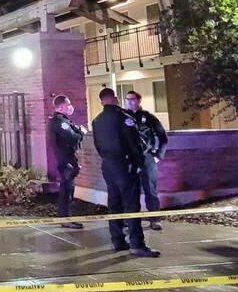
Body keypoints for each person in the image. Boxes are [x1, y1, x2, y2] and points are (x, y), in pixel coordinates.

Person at [92, 87, 160, 257]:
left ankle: (117, 240)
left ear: (101, 101)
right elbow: (135, 143)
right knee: (131, 205)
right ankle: (137, 244)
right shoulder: (124, 117)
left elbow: (98, 146)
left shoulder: (97, 121)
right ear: (114, 98)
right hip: (125, 166)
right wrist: (137, 163)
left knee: (114, 204)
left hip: (108, 166)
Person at [124, 91, 168, 231]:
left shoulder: (148, 118)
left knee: (150, 189)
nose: (129, 101)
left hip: (146, 157)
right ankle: (130, 221)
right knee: (130, 190)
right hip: (130, 158)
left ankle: (154, 219)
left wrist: (158, 155)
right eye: (127, 99)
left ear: (138, 100)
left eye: (132, 99)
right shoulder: (122, 117)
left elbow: (162, 137)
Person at [49, 95, 86, 229]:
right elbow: (73, 138)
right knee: (67, 190)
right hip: (66, 161)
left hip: (65, 159)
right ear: (62, 106)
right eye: (68, 104)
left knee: (67, 189)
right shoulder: (60, 122)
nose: (70, 107)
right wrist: (81, 133)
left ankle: (65, 217)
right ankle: (65, 218)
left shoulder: (60, 121)